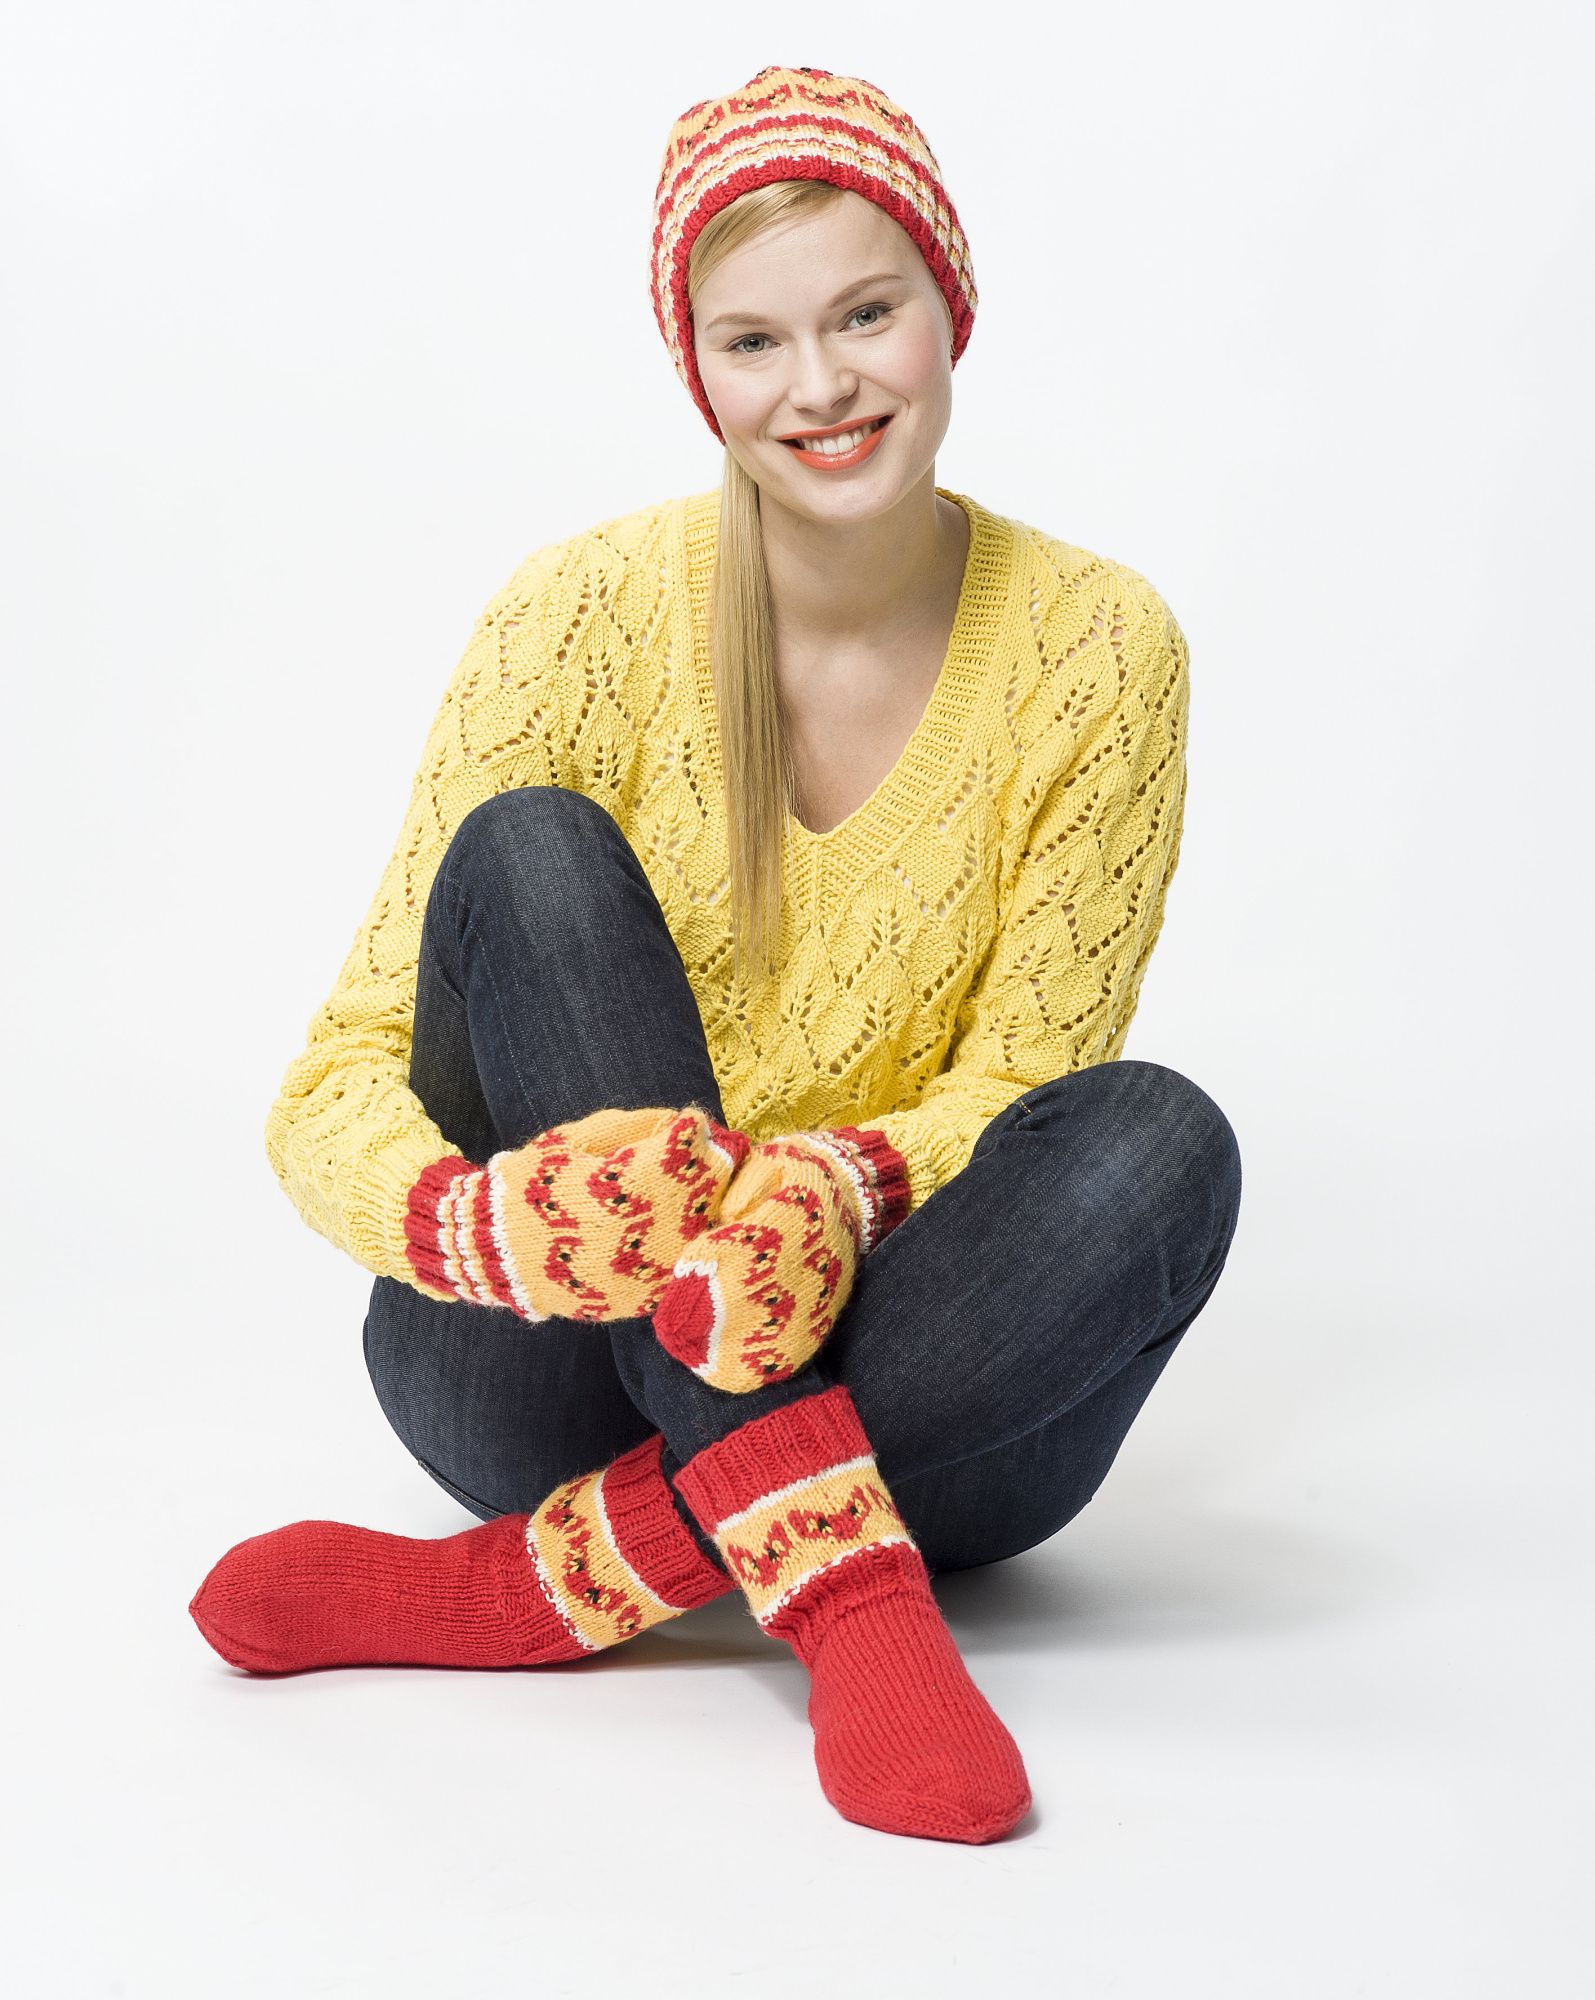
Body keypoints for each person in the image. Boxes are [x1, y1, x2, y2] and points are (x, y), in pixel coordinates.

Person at [188, 63, 1243, 1848]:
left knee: (1163, 1143)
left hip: (927, 1387)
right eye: (755, 342)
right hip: (541, 1374)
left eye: (866, 314)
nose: (821, 387)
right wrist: (482, 1224)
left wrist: (833, 1188)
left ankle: (537, 1586)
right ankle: (844, 1590)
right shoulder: (578, 615)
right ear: (701, 371)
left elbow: (1023, 1086)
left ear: (950, 304)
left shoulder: (1101, 647)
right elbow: (334, 1081)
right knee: (527, 850)